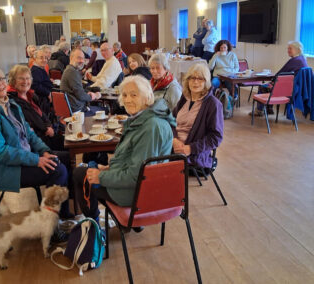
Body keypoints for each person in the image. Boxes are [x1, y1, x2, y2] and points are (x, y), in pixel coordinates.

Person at [0, 66, 72, 219]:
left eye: (1, 79)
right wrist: (36, 160)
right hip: (1, 169)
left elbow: (30, 135)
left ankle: (63, 215)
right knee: (57, 170)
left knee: (63, 158)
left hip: (22, 157)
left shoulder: (10, 104)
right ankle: (51, 224)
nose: (0, 84)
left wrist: (44, 151)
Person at [72, 75, 176, 222]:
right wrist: (110, 168)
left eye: (134, 95)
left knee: (79, 174)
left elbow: (137, 176)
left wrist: (101, 177)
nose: (127, 100)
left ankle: (93, 223)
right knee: (90, 167)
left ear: (147, 98)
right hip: (139, 186)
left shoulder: (150, 127)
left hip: (135, 193)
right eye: (125, 95)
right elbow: (134, 159)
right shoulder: (144, 119)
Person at [172, 63, 224, 169]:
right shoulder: (185, 97)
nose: (195, 82)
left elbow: (215, 137)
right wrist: (174, 139)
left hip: (194, 153)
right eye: (192, 78)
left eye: (200, 79)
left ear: (206, 82)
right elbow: (171, 121)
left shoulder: (213, 104)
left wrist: (190, 148)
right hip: (173, 145)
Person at [7, 65, 65, 151]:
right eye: (21, 78)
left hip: (48, 134)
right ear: (13, 81)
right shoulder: (12, 101)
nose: (25, 81)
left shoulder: (31, 95)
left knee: (72, 143)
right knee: (69, 150)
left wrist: (49, 126)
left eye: (28, 78)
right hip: (37, 142)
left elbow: (42, 115)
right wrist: (46, 129)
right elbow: (29, 123)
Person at [252, 41, 309, 116]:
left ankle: (259, 111)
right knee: (269, 85)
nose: (288, 51)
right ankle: (269, 109)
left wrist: (272, 82)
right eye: (288, 48)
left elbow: (280, 74)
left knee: (263, 87)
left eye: (290, 49)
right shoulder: (302, 59)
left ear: (297, 50)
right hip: (297, 88)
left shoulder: (294, 61)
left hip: (287, 90)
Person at [60, 49, 105, 116]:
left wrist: (89, 92)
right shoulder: (72, 72)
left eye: (83, 59)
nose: (81, 61)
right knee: (105, 110)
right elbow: (80, 95)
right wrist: (94, 96)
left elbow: (79, 91)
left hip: (75, 107)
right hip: (77, 112)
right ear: (71, 58)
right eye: (79, 58)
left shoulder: (70, 70)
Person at [31, 49, 54, 115]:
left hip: (46, 96)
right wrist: (48, 93)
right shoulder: (35, 70)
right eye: (41, 58)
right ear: (35, 59)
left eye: (46, 58)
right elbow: (35, 86)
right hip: (43, 100)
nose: (44, 60)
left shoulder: (40, 69)